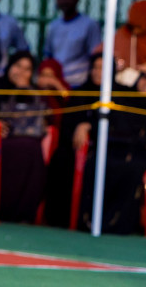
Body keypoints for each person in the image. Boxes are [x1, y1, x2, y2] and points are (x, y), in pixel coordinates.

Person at [75, 62, 146, 234]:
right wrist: (86, 124)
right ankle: (88, 221)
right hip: (113, 149)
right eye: (144, 78)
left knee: (130, 171)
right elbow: (105, 92)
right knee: (96, 164)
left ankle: (116, 226)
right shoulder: (123, 97)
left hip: (141, 154)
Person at [43, 48, 105, 227]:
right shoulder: (80, 93)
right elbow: (68, 127)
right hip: (74, 147)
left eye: (102, 68)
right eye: (94, 67)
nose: (97, 72)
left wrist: (90, 125)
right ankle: (59, 219)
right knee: (61, 159)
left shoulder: (119, 94)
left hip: (105, 149)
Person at [0, 50, 50, 223]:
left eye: (27, 69)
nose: (21, 72)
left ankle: (23, 213)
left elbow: (49, 117)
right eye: (18, 66)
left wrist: (24, 89)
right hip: (1, 139)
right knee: (16, 149)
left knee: (31, 149)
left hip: (29, 139)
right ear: (10, 65)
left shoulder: (34, 91)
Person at [44, 0, 103, 88]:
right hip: (56, 83)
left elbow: (95, 55)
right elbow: (49, 55)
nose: (64, 1)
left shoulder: (89, 24)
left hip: (79, 84)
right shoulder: (54, 25)